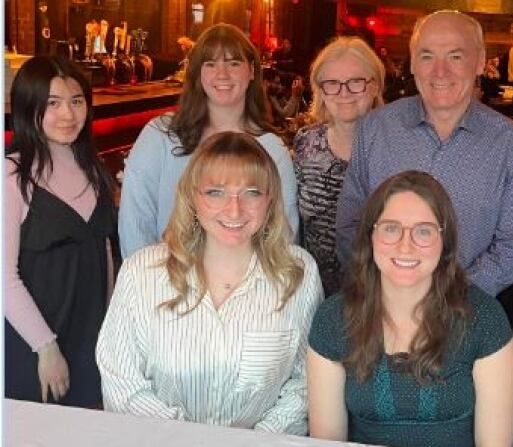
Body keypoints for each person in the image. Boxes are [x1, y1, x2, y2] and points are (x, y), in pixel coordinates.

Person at [97, 131, 323, 433]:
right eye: (216, 192)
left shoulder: (299, 273)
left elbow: (306, 382)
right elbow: (121, 382)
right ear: (192, 197)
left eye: (252, 192)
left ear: (270, 200)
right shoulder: (142, 272)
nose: (234, 209)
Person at [308, 171, 513, 446]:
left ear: (445, 242)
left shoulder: (484, 320)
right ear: (370, 235)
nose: (405, 246)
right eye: (391, 228)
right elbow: (328, 443)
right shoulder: (333, 319)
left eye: (423, 231)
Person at [336, 10, 513, 298]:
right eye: (427, 56)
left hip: (463, 315)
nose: (440, 72)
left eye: (455, 56)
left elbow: (510, 249)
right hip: (379, 308)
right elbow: (351, 224)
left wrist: (443, 301)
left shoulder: (511, 144)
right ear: (413, 63)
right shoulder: (376, 128)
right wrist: (387, 294)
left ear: (479, 62)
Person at [119, 23, 298, 259]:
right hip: (163, 287)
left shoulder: (271, 149)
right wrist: (148, 286)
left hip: (247, 290)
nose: (222, 74)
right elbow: (135, 222)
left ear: (252, 71)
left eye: (234, 63)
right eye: (210, 64)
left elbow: (284, 239)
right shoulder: (160, 135)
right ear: (198, 73)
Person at [4, 55, 118, 407]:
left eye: (76, 101)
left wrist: (114, 332)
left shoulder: (92, 167)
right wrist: (46, 347)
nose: (68, 115)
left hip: (92, 339)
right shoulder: (12, 176)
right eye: (52, 103)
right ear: (28, 107)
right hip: (35, 344)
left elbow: (105, 254)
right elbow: (4, 277)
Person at [294, 36, 384, 297]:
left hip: (378, 297)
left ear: (374, 86)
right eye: (332, 83)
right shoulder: (305, 143)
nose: (343, 93)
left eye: (355, 82)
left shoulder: (396, 148)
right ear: (320, 90)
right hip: (313, 293)